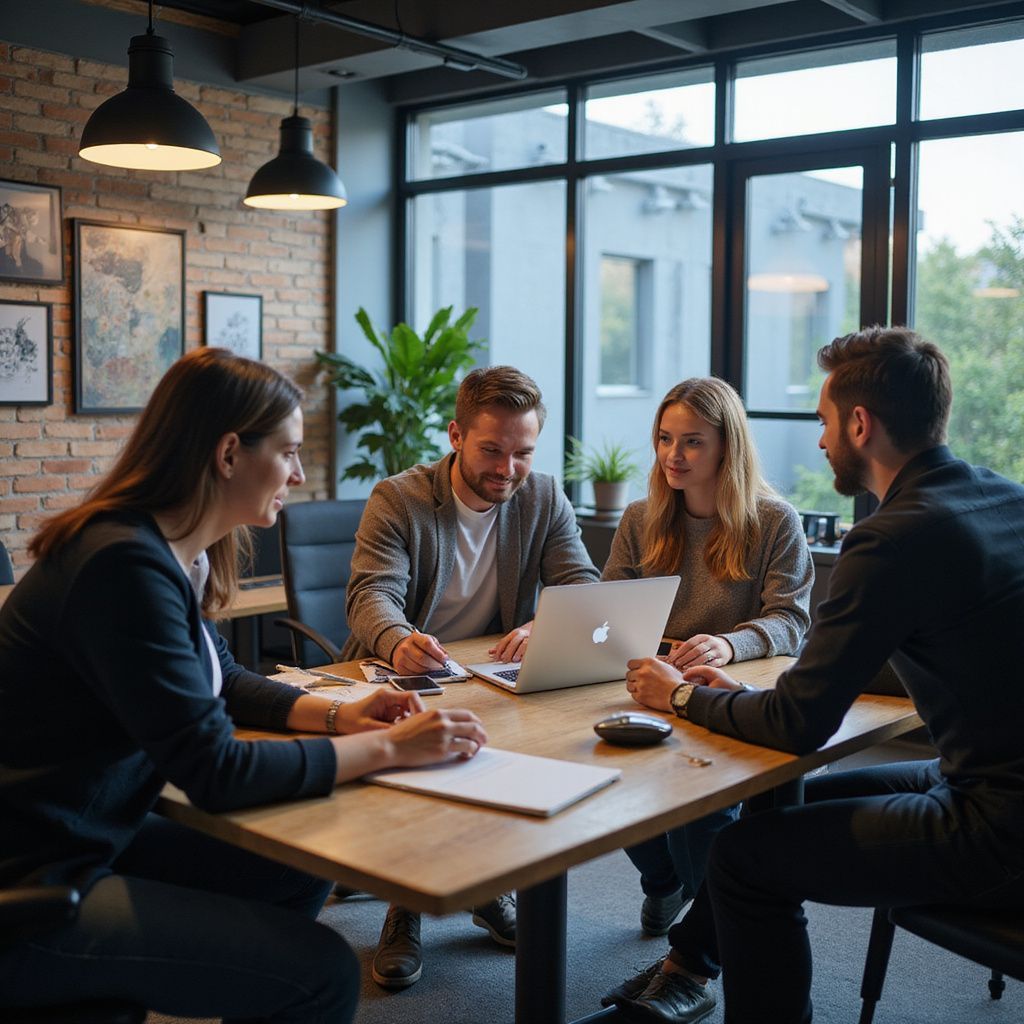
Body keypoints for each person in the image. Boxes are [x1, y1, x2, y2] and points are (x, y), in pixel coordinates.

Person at [0, 348, 487, 1022]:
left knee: (301, 860)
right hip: (32, 877)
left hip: (91, 832)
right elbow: (216, 770)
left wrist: (340, 717)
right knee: (322, 974)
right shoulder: (121, 566)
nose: (299, 472)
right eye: (287, 451)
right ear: (229, 454)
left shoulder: (171, 549)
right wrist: (394, 749)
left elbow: (220, 678)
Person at [605, 326, 1024, 1024]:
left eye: (826, 422)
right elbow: (930, 654)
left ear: (861, 424)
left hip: (997, 828)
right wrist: (746, 692)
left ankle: (707, 977)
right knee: (782, 805)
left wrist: (680, 695)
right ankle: (688, 965)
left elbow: (798, 726)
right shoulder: (1000, 498)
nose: (822, 440)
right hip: (978, 777)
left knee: (743, 860)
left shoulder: (892, 538)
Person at [341, 363, 600, 989]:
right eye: (491, 450)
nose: (507, 469)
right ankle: (407, 907)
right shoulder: (398, 497)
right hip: (400, 672)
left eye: (522, 453)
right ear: (456, 435)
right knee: (428, 747)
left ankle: (486, 888)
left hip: (486, 670)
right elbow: (370, 595)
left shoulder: (541, 496)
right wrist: (399, 640)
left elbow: (581, 585)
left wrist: (548, 622)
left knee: (536, 744)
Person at [602, 377, 812, 938]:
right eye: (665, 438)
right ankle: (669, 887)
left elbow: (791, 619)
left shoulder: (773, 520)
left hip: (722, 692)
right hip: (646, 685)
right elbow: (605, 610)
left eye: (692, 441)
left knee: (699, 819)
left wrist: (729, 642)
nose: (674, 455)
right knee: (600, 783)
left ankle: (706, 934)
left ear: (727, 445)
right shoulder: (641, 517)